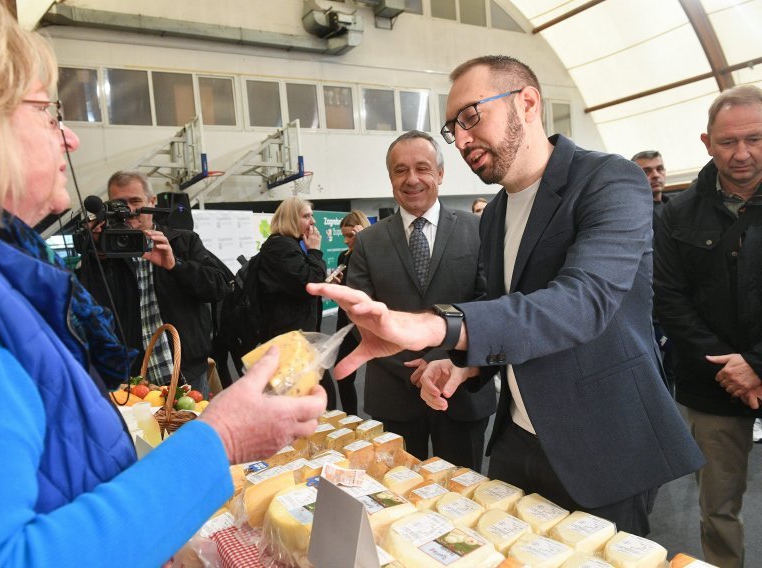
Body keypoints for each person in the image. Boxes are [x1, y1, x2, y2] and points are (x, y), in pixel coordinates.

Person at [0, 2, 326, 566]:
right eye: (48, 112)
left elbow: (219, 287)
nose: (70, 139)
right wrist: (222, 439)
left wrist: (174, 265)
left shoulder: (7, 266)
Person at [309, 55, 703, 535]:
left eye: (472, 116)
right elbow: (512, 319)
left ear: (528, 102)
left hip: (600, 442)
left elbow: (582, 302)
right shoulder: (494, 216)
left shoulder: (608, 180)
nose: (463, 138)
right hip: (517, 440)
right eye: (454, 128)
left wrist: (436, 325)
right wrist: (466, 363)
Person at [653, 84, 762, 568]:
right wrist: (730, 368)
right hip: (711, 383)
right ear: (706, 142)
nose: (741, 154)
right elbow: (670, 301)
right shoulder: (676, 214)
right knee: (717, 507)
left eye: (755, 139)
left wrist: (756, 364)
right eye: (728, 142)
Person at [346, 130, 494, 471]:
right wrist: (412, 369)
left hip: (460, 388)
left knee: (462, 497)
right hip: (393, 394)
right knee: (397, 497)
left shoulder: (478, 229)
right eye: (400, 170)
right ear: (390, 178)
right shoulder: (368, 241)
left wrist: (441, 358)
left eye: (422, 168)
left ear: (440, 174)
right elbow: (360, 316)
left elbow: (488, 302)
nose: (411, 179)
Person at [79, 170, 230, 396]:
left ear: (152, 201)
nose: (129, 210)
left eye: (135, 201)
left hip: (185, 368)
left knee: (193, 428)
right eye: (119, 204)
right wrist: (95, 254)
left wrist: (175, 265)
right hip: (132, 375)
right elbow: (89, 306)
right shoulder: (106, 252)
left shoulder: (183, 240)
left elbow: (219, 286)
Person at [258, 196, 338, 409]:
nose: (312, 222)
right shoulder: (281, 247)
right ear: (291, 219)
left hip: (297, 336)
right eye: (306, 216)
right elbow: (309, 283)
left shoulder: (289, 245)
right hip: (291, 339)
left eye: (312, 215)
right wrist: (314, 251)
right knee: (316, 400)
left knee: (318, 397)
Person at [632, 150, 675, 394]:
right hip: (650, 315)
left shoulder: (677, 211)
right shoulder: (629, 215)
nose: (655, 176)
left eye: (659, 169)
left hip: (680, 313)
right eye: (647, 171)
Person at [333, 210, 371, 415]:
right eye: (344, 236)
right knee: (343, 373)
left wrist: (367, 242)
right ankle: (351, 419)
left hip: (369, 325)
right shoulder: (343, 257)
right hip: (347, 324)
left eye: (351, 235)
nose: (347, 241)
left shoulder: (374, 255)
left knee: (379, 378)